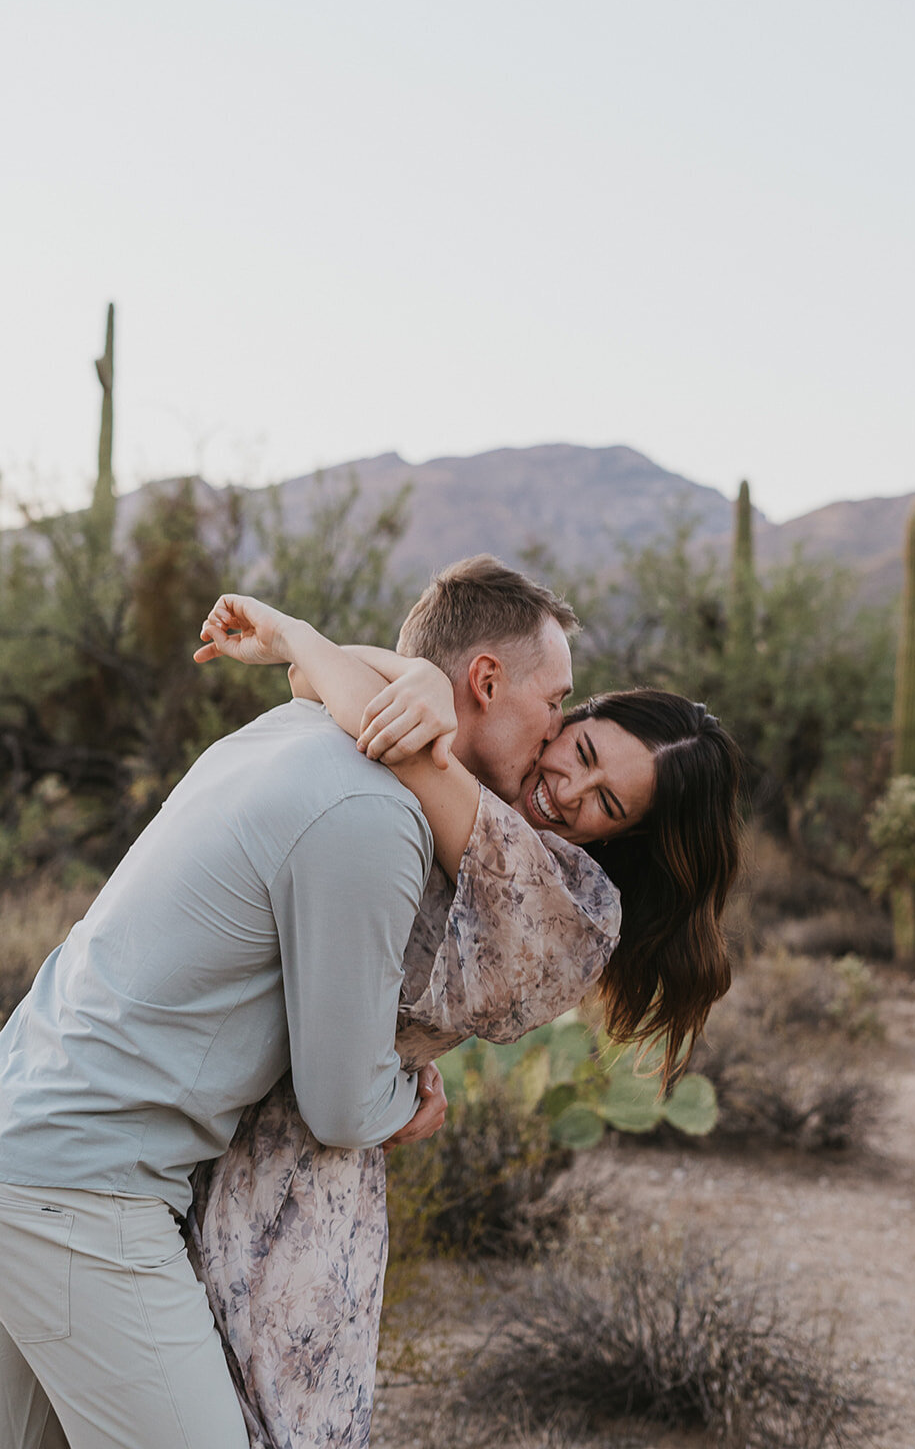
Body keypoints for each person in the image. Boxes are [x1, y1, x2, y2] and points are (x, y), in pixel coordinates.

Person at [0, 556, 579, 1449]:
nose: (557, 735)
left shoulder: (291, 729)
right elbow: (343, 1105)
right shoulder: (373, 814)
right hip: (85, 1192)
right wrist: (410, 1098)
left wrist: (362, 661)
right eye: (556, 704)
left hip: (28, 1129)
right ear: (489, 681)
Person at [188, 579, 744, 1449]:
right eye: (581, 745)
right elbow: (327, 696)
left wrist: (331, 647)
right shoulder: (472, 790)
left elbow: (378, 729)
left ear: (622, 839)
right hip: (203, 1115)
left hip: (300, 1165)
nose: (568, 788)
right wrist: (409, 678)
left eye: (606, 803)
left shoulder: (573, 903)